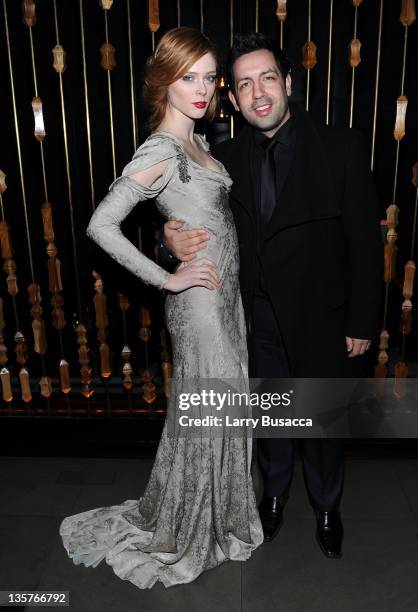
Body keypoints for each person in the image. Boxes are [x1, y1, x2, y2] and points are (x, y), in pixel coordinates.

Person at [162, 33, 383, 559]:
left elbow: (365, 245)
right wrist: (168, 239)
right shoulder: (223, 160)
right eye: (244, 84)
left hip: (322, 319)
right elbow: (187, 218)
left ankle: (328, 507)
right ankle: (275, 497)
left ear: (287, 83)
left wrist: (361, 321)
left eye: (267, 78)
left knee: (323, 426)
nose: (258, 92)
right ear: (233, 101)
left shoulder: (339, 147)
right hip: (253, 320)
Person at [59, 27, 263, 589]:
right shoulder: (162, 148)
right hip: (198, 304)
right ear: (163, 83)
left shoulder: (201, 142)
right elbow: (101, 224)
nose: (201, 90)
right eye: (186, 78)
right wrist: (168, 278)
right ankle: (193, 527)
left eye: (207, 78)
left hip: (226, 300)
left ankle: (219, 520)